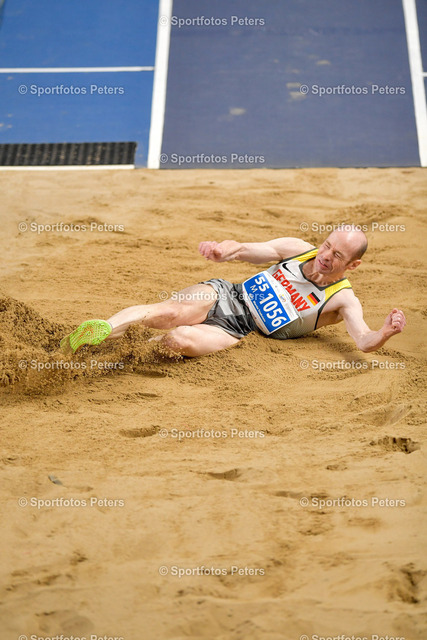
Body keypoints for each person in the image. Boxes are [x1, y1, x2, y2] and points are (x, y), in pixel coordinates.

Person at [60, 226, 406, 357]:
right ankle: (102, 329)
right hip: (226, 294)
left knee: (179, 340)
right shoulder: (298, 249)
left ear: (353, 265)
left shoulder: (343, 299)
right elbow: (245, 249)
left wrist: (385, 333)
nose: (326, 256)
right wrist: (222, 251)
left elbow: (363, 341)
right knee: (170, 312)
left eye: (337, 255)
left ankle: (117, 351)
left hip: (239, 329)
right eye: (327, 245)